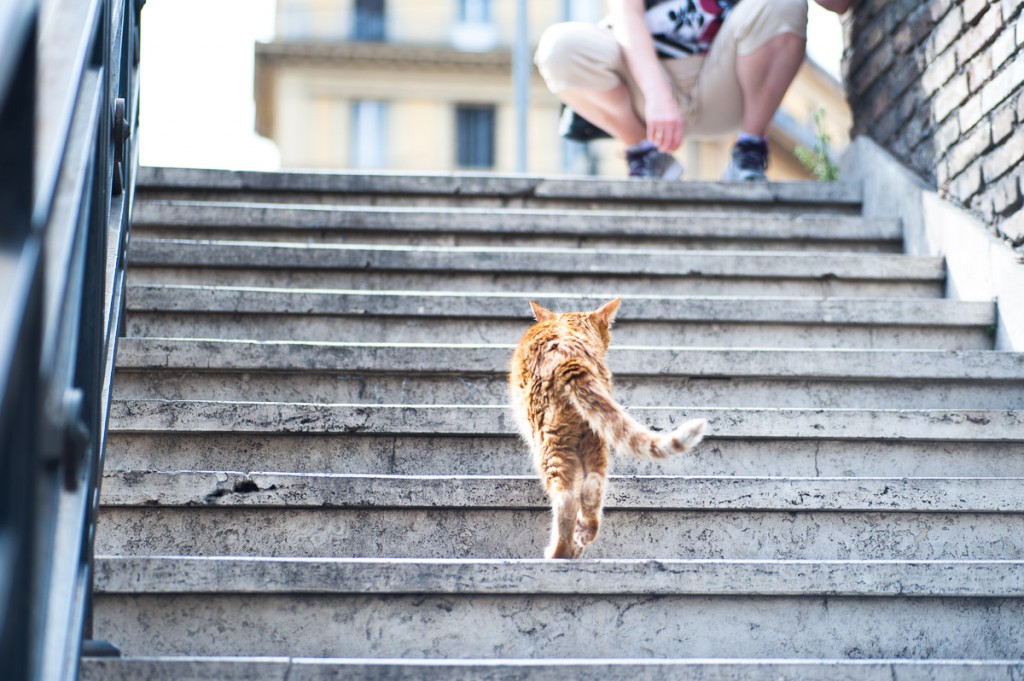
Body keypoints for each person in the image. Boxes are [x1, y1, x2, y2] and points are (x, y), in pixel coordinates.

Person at [535, 0, 854, 181]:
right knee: (559, 48)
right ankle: (645, 154)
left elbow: (840, 5)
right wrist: (658, 95)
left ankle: (749, 151)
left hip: (725, 83)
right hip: (648, 86)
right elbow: (625, 16)